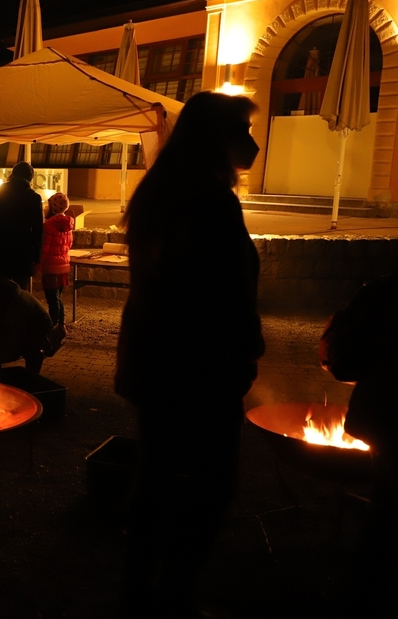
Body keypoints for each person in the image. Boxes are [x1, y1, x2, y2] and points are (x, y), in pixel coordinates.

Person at [114, 91, 264, 617]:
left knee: (157, 475)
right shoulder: (209, 201)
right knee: (210, 484)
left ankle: (139, 592)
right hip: (198, 366)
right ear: (215, 139)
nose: (253, 143)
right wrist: (243, 351)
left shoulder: (164, 192)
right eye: (243, 131)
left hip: (157, 359)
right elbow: (221, 292)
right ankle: (173, 594)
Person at [319, 270, 398, 615]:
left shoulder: (387, 291)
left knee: (386, 518)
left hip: (388, 420)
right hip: (388, 420)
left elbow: (340, 356)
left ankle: (363, 599)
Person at [0, 161, 43, 290]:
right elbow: (37, 230)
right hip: (22, 252)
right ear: (30, 178)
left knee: (1, 290)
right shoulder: (34, 197)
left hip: (0, 250)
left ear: (13, 174)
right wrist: (36, 257)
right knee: (19, 292)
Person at [39, 192, 74, 327]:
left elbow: (45, 248)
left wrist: (39, 265)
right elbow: (69, 244)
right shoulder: (68, 224)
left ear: (53, 207)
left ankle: (52, 326)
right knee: (57, 298)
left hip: (51, 266)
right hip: (63, 265)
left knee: (52, 299)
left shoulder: (49, 225)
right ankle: (60, 324)